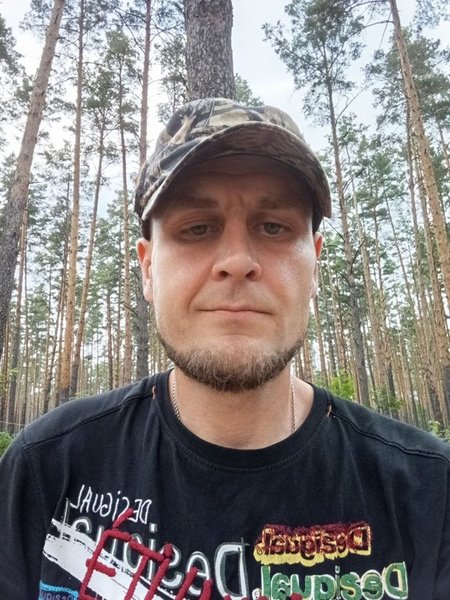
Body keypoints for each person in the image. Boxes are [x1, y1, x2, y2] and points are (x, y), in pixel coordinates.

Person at [0, 97, 449, 600]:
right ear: (147, 269)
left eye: (273, 226)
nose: (237, 261)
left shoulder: (429, 492)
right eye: (197, 228)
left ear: (314, 266)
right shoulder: (46, 470)